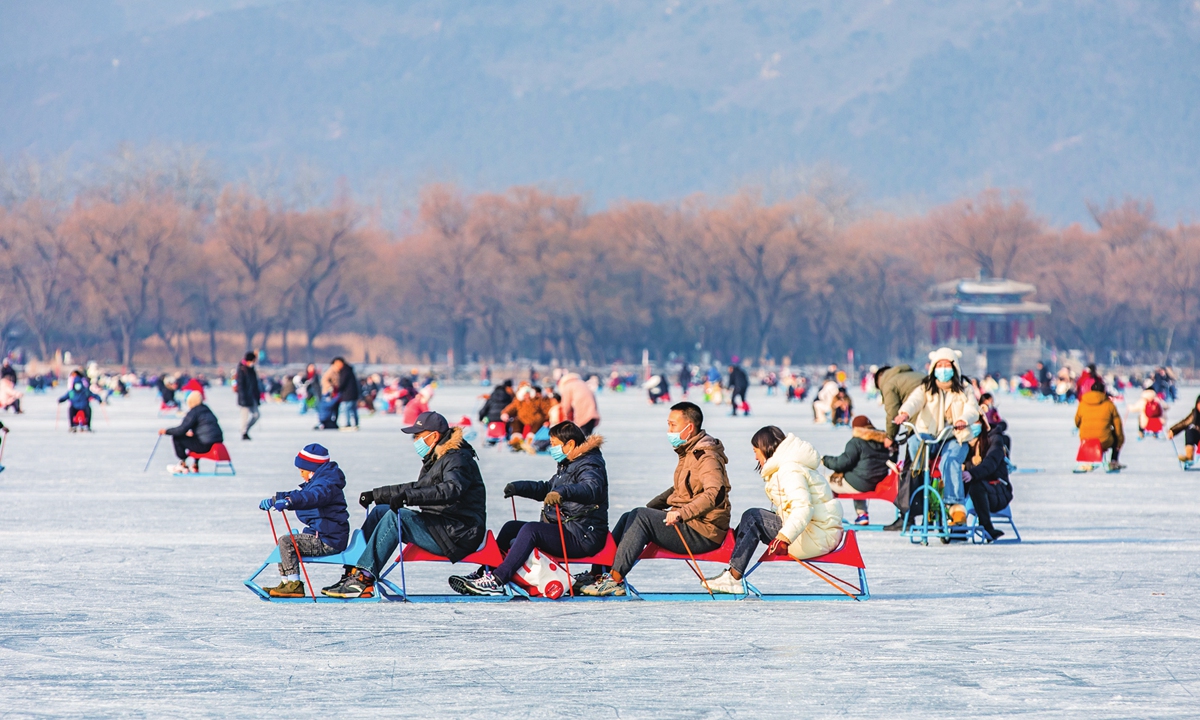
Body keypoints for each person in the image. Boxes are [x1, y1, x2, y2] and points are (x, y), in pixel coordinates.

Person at [324, 412, 487, 598]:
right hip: (441, 526)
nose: (415, 440)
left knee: (395, 518)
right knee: (380, 511)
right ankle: (353, 573)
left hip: (458, 533)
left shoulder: (457, 459)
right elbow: (418, 487)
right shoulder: (438, 458)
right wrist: (377, 495)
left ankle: (364, 579)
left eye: (417, 435)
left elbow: (451, 489)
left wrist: (407, 498)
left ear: (434, 436)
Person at [582, 402, 730, 596]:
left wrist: (680, 513)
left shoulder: (706, 456)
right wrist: (652, 507)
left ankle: (614, 581)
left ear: (690, 428)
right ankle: (598, 574)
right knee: (631, 516)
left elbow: (715, 493)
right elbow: (680, 489)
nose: (669, 430)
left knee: (640, 517)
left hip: (703, 531)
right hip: (692, 523)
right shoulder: (690, 452)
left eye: (673, 425)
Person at [449, 422, 608, 596]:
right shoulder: (569, 463)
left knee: (532, 530)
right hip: (566, 528)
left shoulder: (590, 464)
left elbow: (592, 488)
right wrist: (520, 487)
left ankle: (497, 580)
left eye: (554, 444)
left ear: (569, 444)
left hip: (583, 535)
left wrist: (562, 492)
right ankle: (485, 573)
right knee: (511, 527)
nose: (551, 448)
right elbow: (548, 488)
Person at [705, 426, 844, 594]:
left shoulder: (789, 470)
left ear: (766, 448)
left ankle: (733, 578)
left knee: (753, 517)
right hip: (818, 531)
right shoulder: (790, 466)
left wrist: (784, 538)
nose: (755, 457)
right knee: (751, 517)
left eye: (756, 451)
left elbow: (803, 508)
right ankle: (732, 564)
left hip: (816, 536)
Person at [893, 347, 980, 526]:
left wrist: (963, 419)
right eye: (939, 365)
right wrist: (904, 414)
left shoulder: (965, 388)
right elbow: (913, 401)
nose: (943, 369)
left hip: (954, 436)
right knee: (914, 441)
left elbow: (973, 409)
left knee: (950, 460)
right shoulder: (926, 387)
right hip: (930, 436)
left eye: (946, 365)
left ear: (954, 367)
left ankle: (955, 507)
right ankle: (918, 480)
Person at [256, 444, 350, 598]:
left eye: (302, 471)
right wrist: (276, 499)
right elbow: (301, 493)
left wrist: (289, 502)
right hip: (323, 535)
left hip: (328, 539)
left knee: (288, 542)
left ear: (313, 470)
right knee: (284, 542)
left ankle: (294, 585)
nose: (301, 475)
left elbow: (311, 497)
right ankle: (286, 583)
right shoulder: (320, 481)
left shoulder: (325, 485)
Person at [823, 416, 892, 526]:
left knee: (824, 483)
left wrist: (825, 460)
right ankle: (862, 515)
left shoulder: (856, 442)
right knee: (857, 476)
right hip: (877, 481)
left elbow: (842, 463)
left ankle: (827, 515)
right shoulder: (882, 441)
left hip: (861, 483)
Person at [962, 419, 1014, 542]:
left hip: (998, 488)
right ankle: (955, 525)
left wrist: (972, 473)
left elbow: (990, 463)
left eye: (976, 423)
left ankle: (987, 527)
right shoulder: (964, 441)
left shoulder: (994, 439)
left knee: (976, 485)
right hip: (975, 488)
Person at [160, 391, 224, 474]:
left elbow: (181, 430)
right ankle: (195, 465)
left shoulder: (194, 412)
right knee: (194, 439)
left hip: (205, 445)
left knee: (177, 438)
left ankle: (183, 464)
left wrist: (166, 431)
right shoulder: (207, 410)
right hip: (216, 443)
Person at [1075, 378, 1125, 472]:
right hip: (1104, 440)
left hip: (1086, 440)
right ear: (1104, 391)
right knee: (1116, 437)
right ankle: (1113, 461)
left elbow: (1077, 422)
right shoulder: (1109, 405)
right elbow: (1117, 426)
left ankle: (1087, 463)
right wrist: (1120, 441)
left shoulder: (1082, 404)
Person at [874, 364, 926, 440]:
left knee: (915, 446)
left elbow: (892, 412)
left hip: (918, 420)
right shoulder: (912, 374)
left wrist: (890, 437)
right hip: (935, 417)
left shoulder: (889, 385)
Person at [501, 382, 549, 451]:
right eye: (525, 394)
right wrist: (505, 413)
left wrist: (547, 419)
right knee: (515, 421)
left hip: (535, 420)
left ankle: (530, 438)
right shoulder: (518, 401)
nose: (527, 395)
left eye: (528, 393)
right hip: (522, 420)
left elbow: (546, 409)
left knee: (540, 418)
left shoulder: (537, 400)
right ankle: (516, 438)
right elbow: (510, 408)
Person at [557, 371, 600, 436]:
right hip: (592, 415)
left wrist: (564, 419)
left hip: (582, 416)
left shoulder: (568, 385)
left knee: (581, 439)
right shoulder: (582, 383)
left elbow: (566, 406)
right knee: (587, 438)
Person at [1168, 395, 1200, 467]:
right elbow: (1185, 423)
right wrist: (1173, 430)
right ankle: (1189, 457)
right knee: (1190, 431)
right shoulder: (1195, 414)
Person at [235, 351, 260, 441]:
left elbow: (255, 384)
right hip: (244, 398)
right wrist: (243, 398)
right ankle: (243, 433)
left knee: (256, 415)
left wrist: (257, 396)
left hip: (252, 396)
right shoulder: (242, 369)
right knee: (244, 417)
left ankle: (246, 430)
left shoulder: (252, 369)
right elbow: (240, 385)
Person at [332, 357, 360, 431]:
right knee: (353, 410)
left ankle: (347, 424)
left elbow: (342, 383)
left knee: (346, 409)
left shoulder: (345, 371)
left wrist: (337, 388)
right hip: (353, 393)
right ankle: (356, 424)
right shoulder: (349, 370)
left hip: (348, 394)